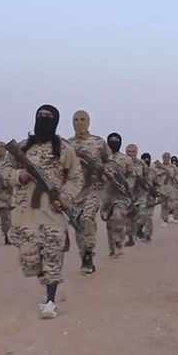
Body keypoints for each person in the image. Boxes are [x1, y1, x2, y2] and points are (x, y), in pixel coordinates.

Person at [1, 104, 83, 319]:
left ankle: (50, 300)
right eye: (40, 116)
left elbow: (76, 178)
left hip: (52, 212)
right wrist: (19, 176)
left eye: (48, 117)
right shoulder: (22, 147)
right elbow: (5, 170)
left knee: (53, 254)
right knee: (29, 259)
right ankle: (45, 279)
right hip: (25, 212)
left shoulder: (64, 149)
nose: (44, 119)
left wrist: (64, 198)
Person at [68, 110, 110, 274]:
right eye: (75, 120)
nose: (79, 123)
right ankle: (84, 254)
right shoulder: (67, 144)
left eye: (82, 119)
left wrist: (102, 170)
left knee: (87, 218)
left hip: (94, 188)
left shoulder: (98, 142)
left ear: (89, 121)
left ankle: (88, 253)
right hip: (75, 191)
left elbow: (109, 162)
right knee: (78, 224)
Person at [100, 132, 134, 258]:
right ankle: (112, 248)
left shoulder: (126, 159)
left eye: (116, 140)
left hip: (121, 195)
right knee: (109, 223)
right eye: (111, 140)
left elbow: (131, 176)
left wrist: (125, 185)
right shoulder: (102, 158)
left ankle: (119, 243)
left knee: (118, 217)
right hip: (107, 195)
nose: (114, 143)